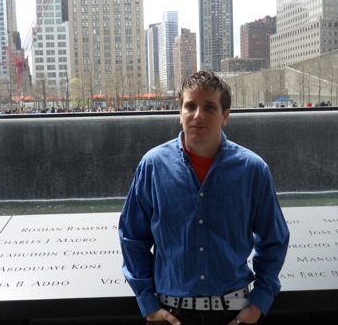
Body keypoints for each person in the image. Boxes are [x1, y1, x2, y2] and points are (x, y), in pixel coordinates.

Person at [119, 70, 290, 325]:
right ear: (180, 113)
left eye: (209, 107)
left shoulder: (253, 169)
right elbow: (132, 237)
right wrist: (147, 303)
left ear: (225, 116)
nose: (198, 115)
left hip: (234, 313)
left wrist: (259, 302)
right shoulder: (153, 166)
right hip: (170, 313)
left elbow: (274, 238)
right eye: (190, 106)